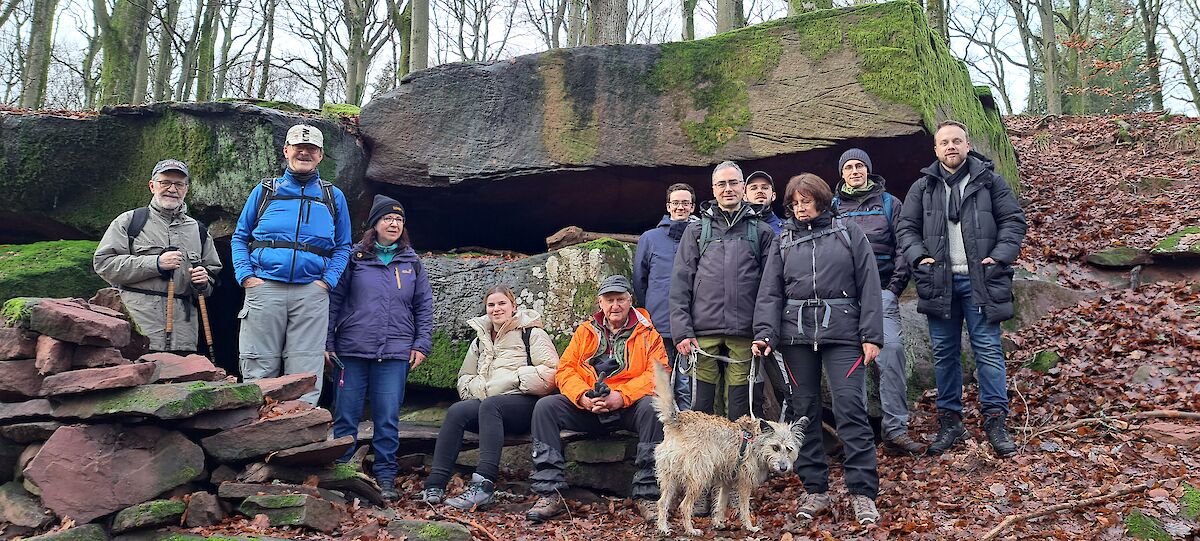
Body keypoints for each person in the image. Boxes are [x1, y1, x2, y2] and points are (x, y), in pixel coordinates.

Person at [752, 173, 884, 526]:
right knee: (803, 412)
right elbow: (770, 293)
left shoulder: (848, 234)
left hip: (843, 334)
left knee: (850, 409)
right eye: (794, 203)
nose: (800, 208)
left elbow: (870, 284)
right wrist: (764, 333)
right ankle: (815, 489)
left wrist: (872, 335)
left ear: (821, 201)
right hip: (795, 338)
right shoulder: (783, 242)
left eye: (806, 201)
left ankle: (863, 493)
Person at [896, 120, 1027, 458]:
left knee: (988, 350)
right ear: (936, 149)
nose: (951, 146)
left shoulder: (989, 181)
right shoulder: (922, 187)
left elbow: (1014, 221)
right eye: (944, 142)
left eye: (957, 141)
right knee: (944, 354)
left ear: (967, 145)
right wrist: (919, 257)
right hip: (938, 281)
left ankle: (996, 421)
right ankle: (950, 422)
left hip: (982, 280)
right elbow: (906, 227)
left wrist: (999, 257)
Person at [526, 275, 666, 523]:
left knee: (654, 407)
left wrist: (621, 397)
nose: (615, 306)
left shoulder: (648, 333)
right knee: (546, 407)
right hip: (589, 405)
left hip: (627, 408)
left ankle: (647, 495)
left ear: (630, 301)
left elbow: (658, 374)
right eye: (609, 300)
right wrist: (582, 397)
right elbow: (566, 369)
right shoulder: (585, 331)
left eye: (620, 299)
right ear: (600, 302)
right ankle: (549, 492)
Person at [231, 124, 352, 405]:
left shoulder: (333, 196)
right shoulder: (264, 191)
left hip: (311, 292)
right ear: (286, 151)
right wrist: (246, 277)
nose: (304, 153)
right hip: (265, 288)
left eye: (311, 149)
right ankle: (257, 436)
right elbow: (240, 237)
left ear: (321, 155)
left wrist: (327, 282)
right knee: (258, 365)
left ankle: (301, 434)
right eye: (299, 148)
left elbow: (343, 245)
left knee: (306, 369)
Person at [326, 194, 433, 501]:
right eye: (388, 218)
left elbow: (424, 306)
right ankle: (343, 475)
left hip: (396, 352)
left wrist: (421, 344)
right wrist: (327, 341)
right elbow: (334, 301)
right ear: (375, 224)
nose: (394, 223)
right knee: (346, 415)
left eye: (399, 219)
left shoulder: (412, 262)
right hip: (352, 350)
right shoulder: (354, 258)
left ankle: (385, 478)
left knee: (387, 418)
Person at [414, 285, 559, 510]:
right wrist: (480, 387)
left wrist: (514, 380)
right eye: (491, 304)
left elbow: (552, 373)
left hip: (525, 404)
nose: (496, 309)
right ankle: (435, 484)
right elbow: (464, 377)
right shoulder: (480, 339)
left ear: (514, 306)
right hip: (489, 403)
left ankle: (483, 486)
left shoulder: (531, 333)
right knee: (456, 411)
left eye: (502, 303)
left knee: (492, 405)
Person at [831, 148, 921, 456]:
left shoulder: (889, 203)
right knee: (846, 360)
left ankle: (895, 428)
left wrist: (894, 288)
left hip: (881, 290)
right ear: (842, 174)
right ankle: (855, 434)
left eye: (860, 166)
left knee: (892, 352)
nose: (855, 171)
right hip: (845, 297)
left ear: (868, 170)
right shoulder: (831, 207)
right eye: (849, 167)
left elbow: (903, 245)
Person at [669, 161, 774, 421]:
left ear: (743, 187)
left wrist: (765, 332)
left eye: (733, 183)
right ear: (713, 190)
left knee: (742, 410)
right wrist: (682, 331)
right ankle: (704, 461)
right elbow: (681, 283)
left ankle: (739, 461)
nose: (728, 189)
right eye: (721, 184)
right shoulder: (696, 230)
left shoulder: (761, 231)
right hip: (702, 335)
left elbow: (770, 289)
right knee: (701, 410)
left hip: (745, 335)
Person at [94, 159, 222, 353]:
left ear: (186, 189)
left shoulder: (199, 230)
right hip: (137, 330)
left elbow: (211, 279)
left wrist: (203, 282)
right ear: (152, 185)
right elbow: (104, 263)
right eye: (165, 182)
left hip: (184, 335)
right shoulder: (130, 221)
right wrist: (155, 263)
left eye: (179, 184)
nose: (172, 189)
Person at [633, 182, 696, 409]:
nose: (680, 207)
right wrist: (648, 310)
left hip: (692, 322)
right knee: (660, 381)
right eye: (676, 203)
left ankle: (689, 434)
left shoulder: (700, 235)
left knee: (687, 383)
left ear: (693, 206)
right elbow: (640, 280)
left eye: (685, 203)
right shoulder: (650, 238)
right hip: (658, 321)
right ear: (668, 206)